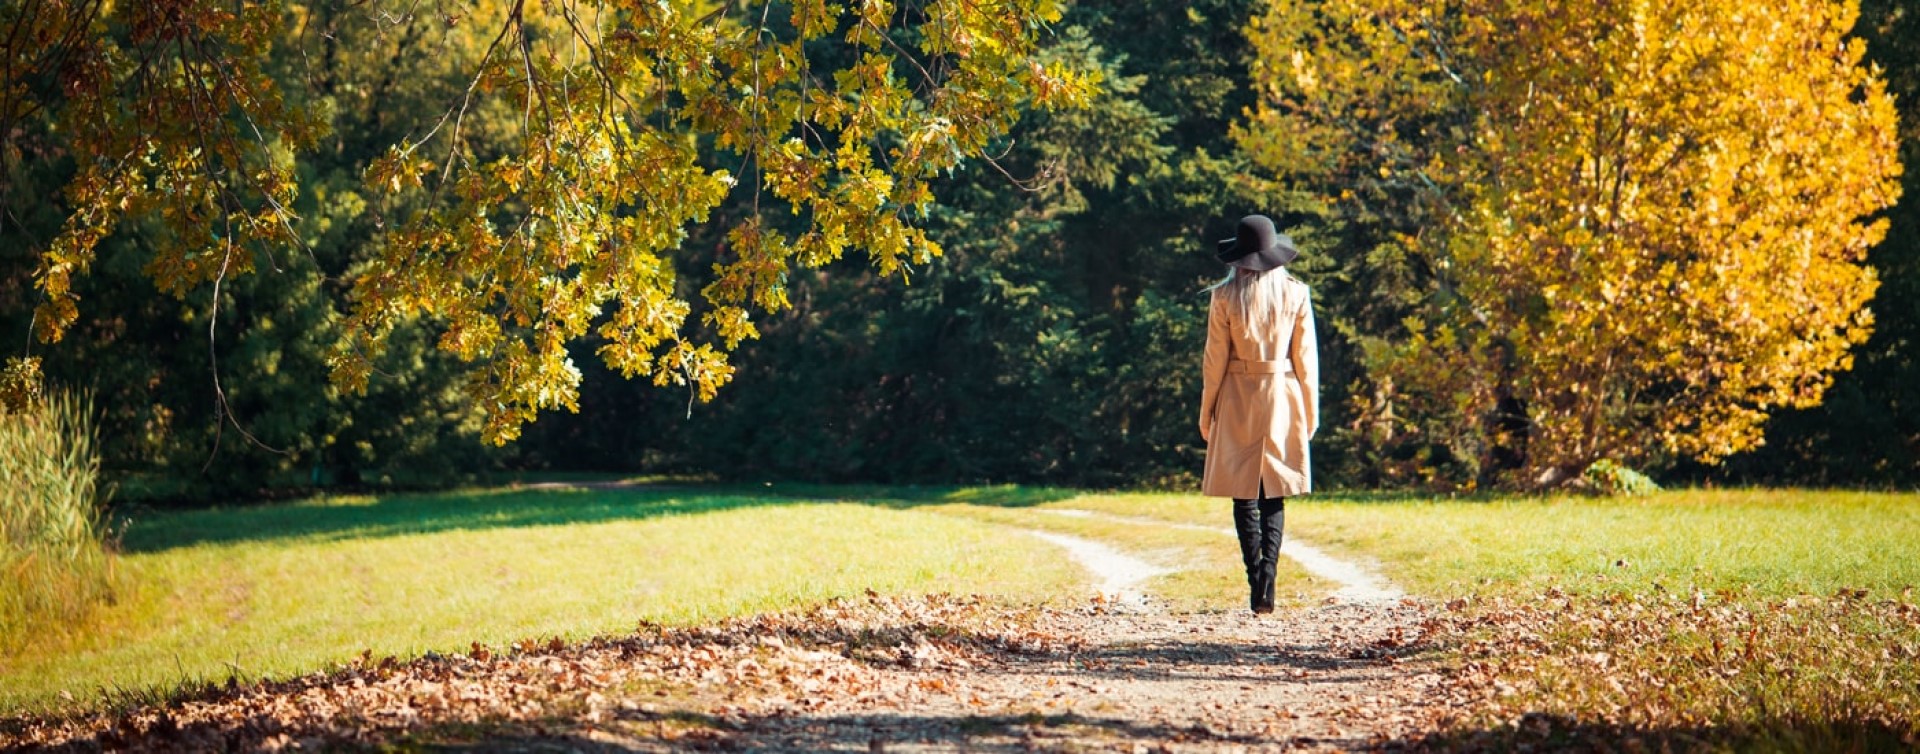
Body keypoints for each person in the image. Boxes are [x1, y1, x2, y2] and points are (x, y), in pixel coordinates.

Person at [1198, 214, 1319, 615]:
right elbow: (1306, 360)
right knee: (1274, 493)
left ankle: (1256, 578)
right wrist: (1310, 409)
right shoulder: (1296, 294)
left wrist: (1207, 411)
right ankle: (1270, 574)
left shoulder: (1223, 297)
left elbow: (1214, 362)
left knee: (1243, 492)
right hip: (1283, 395)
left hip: (1236, 395)